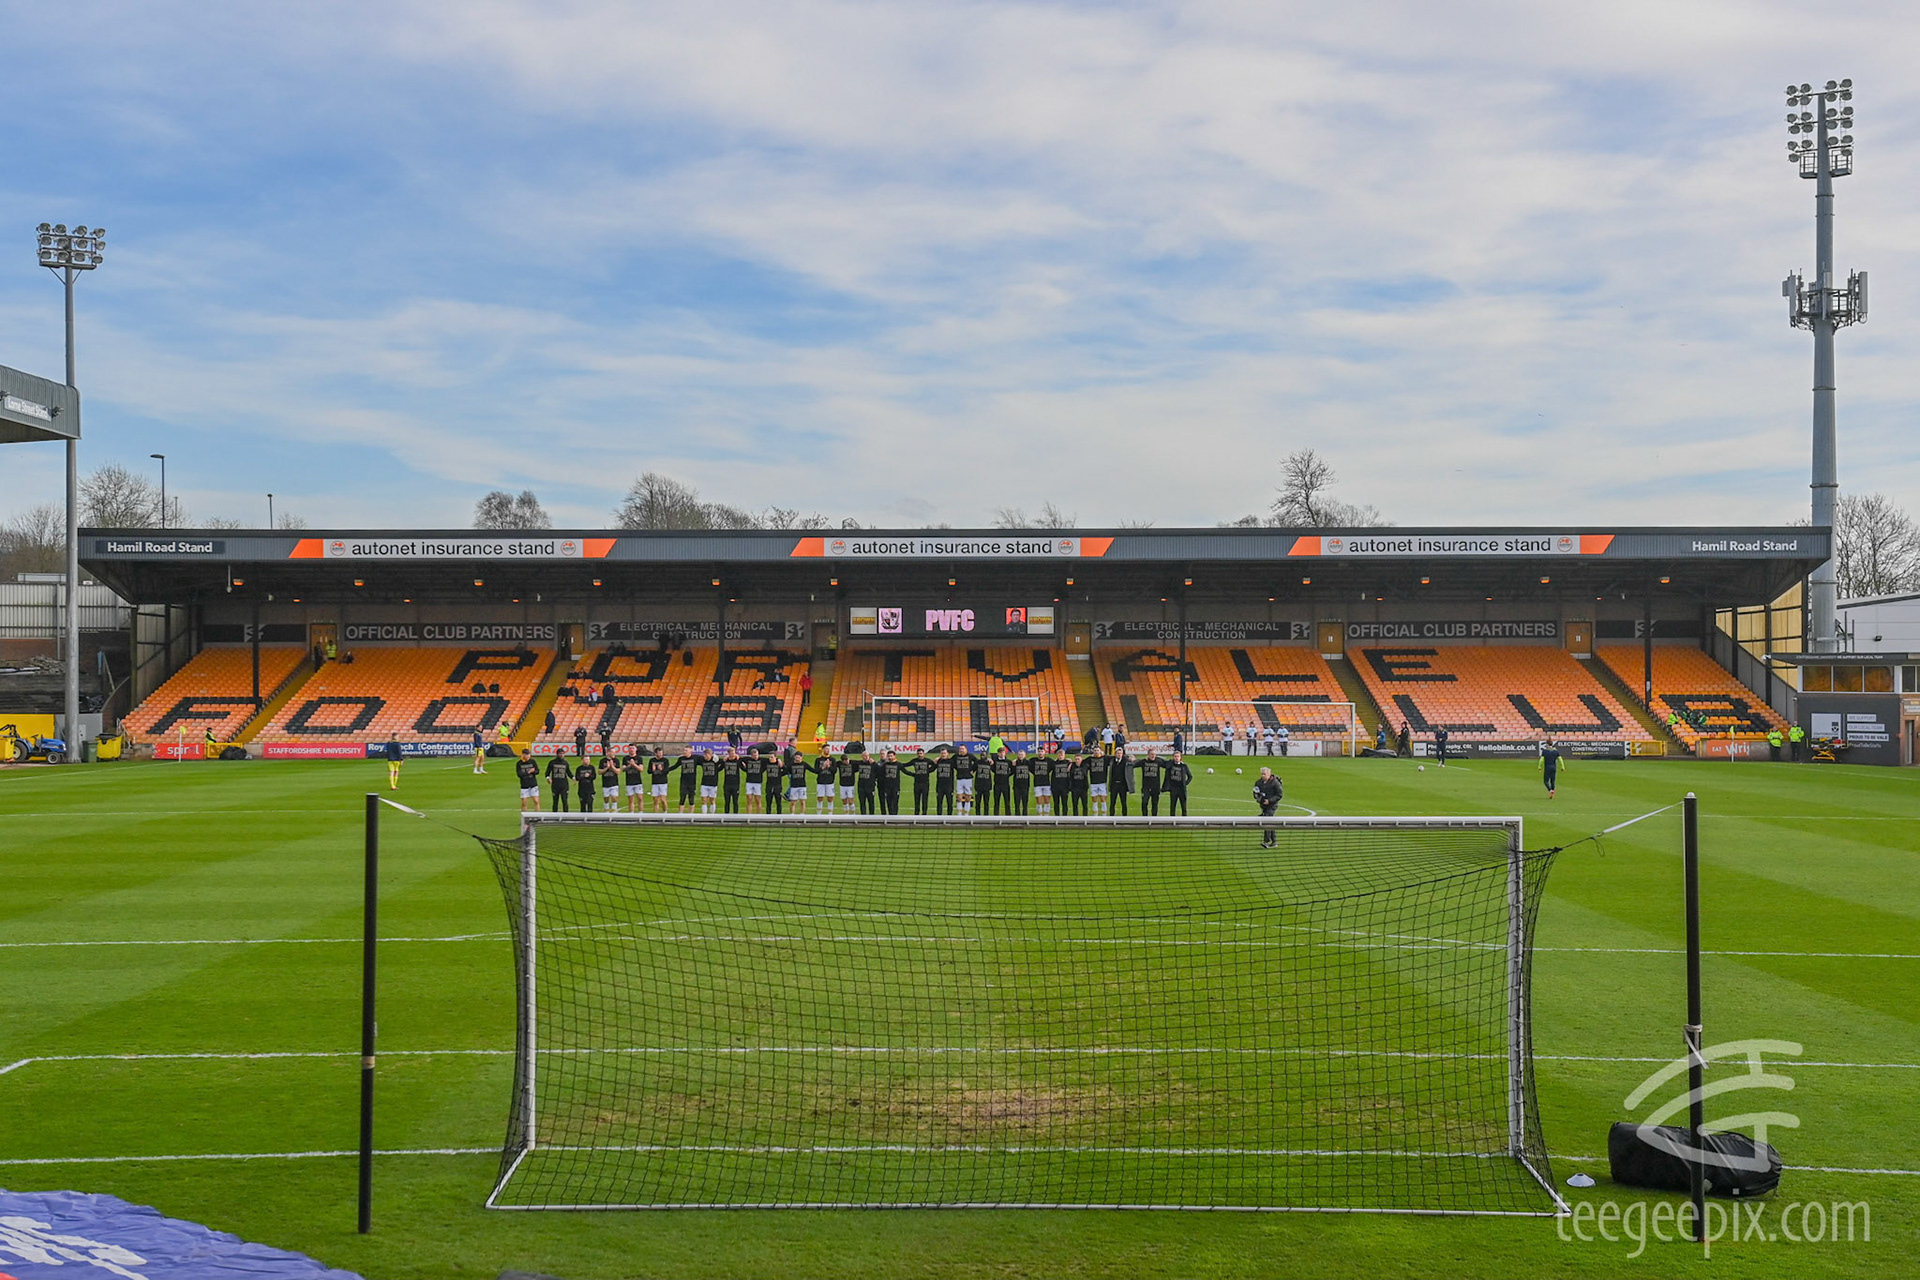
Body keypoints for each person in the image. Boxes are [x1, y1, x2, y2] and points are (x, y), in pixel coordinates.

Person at [1252, 766, 1283, 848]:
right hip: (1263, 805)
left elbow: (1279, 795)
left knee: (1267, 821)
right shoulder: (1259, 782)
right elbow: (1255, 792)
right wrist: (1258, 798)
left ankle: (1266, 841)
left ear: (1269, 774)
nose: (1263, 776)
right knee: (1270, 822)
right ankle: (1274, 841)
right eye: (1262, 774)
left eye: (1264, 774)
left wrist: (1270, 801)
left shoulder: (1275, 783)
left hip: (1272, 805)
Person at [904, 747, 933, 815]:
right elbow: (905, 765)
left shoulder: (927, 760)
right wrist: (912, 774)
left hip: (925, 783)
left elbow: (934, 766)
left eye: (921, 753)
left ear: (924, 754)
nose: (920, 755)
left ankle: (924, 814)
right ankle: (916, 814)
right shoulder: (914, 761)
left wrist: (928, 771)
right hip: (917, 783)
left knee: (925, 800)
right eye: (918, 753)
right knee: (916, 799)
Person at [648, 747, 677, 813]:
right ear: (655, 753)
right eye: (659, 753)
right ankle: (656, 814)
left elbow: (667, 771)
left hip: (663, 782)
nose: (661, 754)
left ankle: (665, 812)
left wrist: (661, 769)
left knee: (663, 800)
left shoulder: (665, 760)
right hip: (655, 782)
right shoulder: (652, 760)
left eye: (661, 753)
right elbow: (648, 771)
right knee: (655, 800)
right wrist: (653, 770)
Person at [1164, 752, 1191, 816]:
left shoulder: (1184, 766)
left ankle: (1184, 819)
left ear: (1180, 757)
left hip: (1182, 789)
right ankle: (1172, 819)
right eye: (1175, 756)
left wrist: (1185, 783)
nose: (1176, 758)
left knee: (1183, 806)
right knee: (1173, 806)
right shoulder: (1170, 765)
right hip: (1173, 788)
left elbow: (1190, 776)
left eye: (1178, 756)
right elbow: (1166, 766)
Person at [1084, 749, 1110, 817]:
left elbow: (1114, 758)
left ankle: (1104, 816)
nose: (1096, 752)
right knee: (1094, 800)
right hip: (1093, 783)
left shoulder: (1105, 758)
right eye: (1095, 750)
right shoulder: (1090, 759)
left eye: (1097, 750)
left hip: (1102, 782)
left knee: (1103, 799)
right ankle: (1095, 816)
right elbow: (1081, 762)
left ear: (1100, 751)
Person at [515, 748, 540, 813]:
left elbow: (537, 771)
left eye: (529, 755)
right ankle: (524, 817)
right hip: (524, 785)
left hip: (533, 784)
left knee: (536, 801)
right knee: (524, 803)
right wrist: (528, 772)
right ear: (523, 755)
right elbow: (519, 774)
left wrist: (533, 771)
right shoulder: (519, 763)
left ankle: (537, 816)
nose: (528, 756)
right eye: (527, 755)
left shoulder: (533, 762)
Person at [812, 749, 838, 814]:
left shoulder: (833, 759)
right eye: (826, 749)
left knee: (830, 798)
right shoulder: (818, 760)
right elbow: (816, 771)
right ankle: (819, 815)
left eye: (828, 749)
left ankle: (830, 815)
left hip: (830, 782)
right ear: (823, 750)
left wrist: (829, 766)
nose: (828, 750)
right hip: (820, 782)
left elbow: (834, 771)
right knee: (820, 798)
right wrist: (823, 767)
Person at [879, 749, 904, 815]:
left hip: (895, 787)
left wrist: (915, 775)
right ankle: (890, 816)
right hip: (887, 788)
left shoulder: (898, 764)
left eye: (891, 756)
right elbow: (879, 773)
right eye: (888, 756)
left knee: (895, 803)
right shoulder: (885, 765)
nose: (890, 757)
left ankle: (895, 816)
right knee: (889, 803)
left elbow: (906, 771)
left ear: (894, 756)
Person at [954, 745, 977, 816]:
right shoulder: (956, 756)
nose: (961, 750)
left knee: (968, 797)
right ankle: (959, 814)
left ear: (966, 749)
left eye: (962, 749)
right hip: (959, 779)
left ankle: (966, 814)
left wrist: (973, 770)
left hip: (968, 779)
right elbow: (950, 762)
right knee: (959, 797)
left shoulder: (970, 756)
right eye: (960, 749)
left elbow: (977, 762)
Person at [1108, 748, 1132, 816]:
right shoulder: (1112, 761)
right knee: (1112, 802)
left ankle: (1124, 817)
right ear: (1115, 754)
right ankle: (1111, 817)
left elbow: (1134, 762)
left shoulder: (1126, 761)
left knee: (1123, 802)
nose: (1119, 755)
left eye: (1120, 753)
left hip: (1122, 785)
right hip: (1114, 785)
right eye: (1118, 753)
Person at [697, 750, 722, 815]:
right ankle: (704, 815)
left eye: (706, 755)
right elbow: (695, 758)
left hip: (713, 784)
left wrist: (717, 770)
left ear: (710, 755)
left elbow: (724, 763)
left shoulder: (715, 760)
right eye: (704, 754)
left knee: (712, 800)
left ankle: (712, 814)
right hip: (704, 783)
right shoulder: (702, 760)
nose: (704, 756)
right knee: (704, 800)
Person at [1139, 747, 1162, 816]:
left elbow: (1167, 764)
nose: (1153, 756)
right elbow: (1134, 764)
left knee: (1155, 803)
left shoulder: (1158, 761)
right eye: (1151, 754)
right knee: (1144, 802)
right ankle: (1144, 817)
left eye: (1154, 754)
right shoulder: (1144, 762)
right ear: (1148, 755)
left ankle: (1154, 818)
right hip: (1146, 787)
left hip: (1156, 787)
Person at [743, 748, 767, 813]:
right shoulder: (748, 760)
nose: (756, 756)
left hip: (758, 782)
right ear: (751, 755)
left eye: (757, 755)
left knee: (758, 800)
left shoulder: (762, 760)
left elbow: (770, 760)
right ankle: (749, 815)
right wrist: (745, 768)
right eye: (754, 755)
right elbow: (739, 760)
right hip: (749, 782)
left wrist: (778, 760)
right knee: (749, 799)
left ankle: (759, 815)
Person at [720, 749, 744, 814]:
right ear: (728, 753)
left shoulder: (737, 760)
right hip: (727, 784)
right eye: (732, 753)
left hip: (735, 784)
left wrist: (740, 759)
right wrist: (723, 760)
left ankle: (736, 816)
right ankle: (726, 815)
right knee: (727, 801)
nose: (733, 754)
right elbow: (719, 768)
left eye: (734, 753)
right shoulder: (725, 761)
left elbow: (744, 769)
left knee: (735, 801)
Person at [1031, 749, 1053, 816]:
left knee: (1047, 802)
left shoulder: (1049, 760)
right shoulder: (1033, 760)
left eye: (1042, 751)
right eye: (1039, 751)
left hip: (1046, 784)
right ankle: (1039, 817)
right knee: (1039, 802)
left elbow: (1056, 763)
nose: (1040, 753)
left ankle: (1046, 817)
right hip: (1037, 784)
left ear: (1044, 752)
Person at [1011, 751, 1032, 816]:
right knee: (1017, 803)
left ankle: (1025, 817)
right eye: (1019, 754)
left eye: (1022, 754)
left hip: (1025, 786)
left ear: (1025, 755)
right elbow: (1012, 772)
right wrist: (1013, 765)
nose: (1020, 756)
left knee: (1025, 803)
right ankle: (1017, 817)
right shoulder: (1015, 762)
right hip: (1017, 786)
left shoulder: (1028, 762)